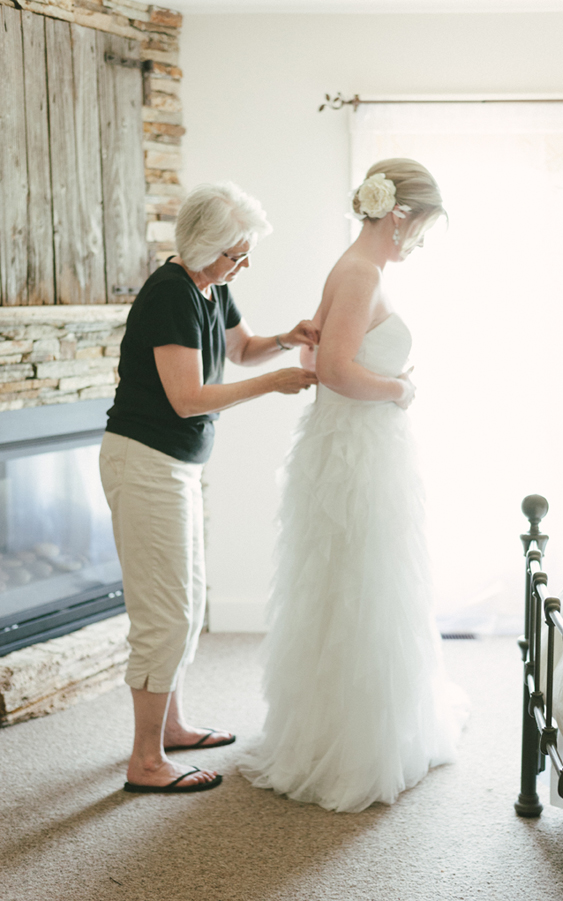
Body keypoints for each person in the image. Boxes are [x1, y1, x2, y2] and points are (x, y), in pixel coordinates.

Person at [238, 159, 469, 812]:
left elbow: (311, 356)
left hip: (348, 447)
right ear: (401, 215)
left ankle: (343, 732)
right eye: (422, 226)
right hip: (358, 454)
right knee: (364, 587)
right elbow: (335, 369)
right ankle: (353, 746)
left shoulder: (351, 268)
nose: (419, 240)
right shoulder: (362, 272)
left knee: (353, 589)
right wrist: (399, 387)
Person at [99, 182, 319, 794]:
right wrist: (275, 382)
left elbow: (242, 348)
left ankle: (169, 727)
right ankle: (145, 761)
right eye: (236, 254)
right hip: (145, 463)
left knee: (188, 602)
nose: (243, 266)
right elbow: (188, 397)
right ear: (203, 246)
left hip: (175, 465)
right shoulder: (171, 293)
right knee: (164, 612)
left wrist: (288, 338)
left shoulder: (209, 285)